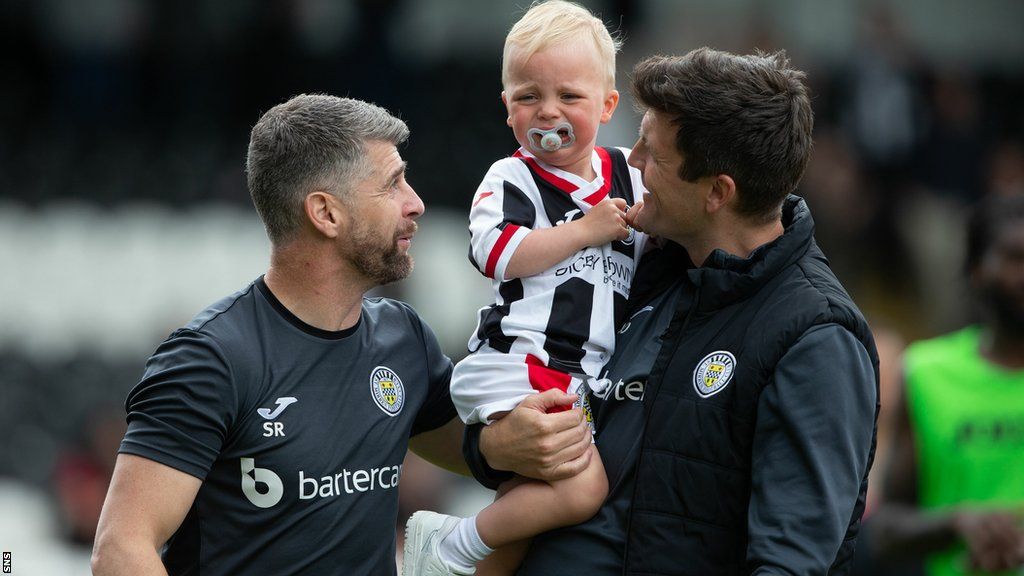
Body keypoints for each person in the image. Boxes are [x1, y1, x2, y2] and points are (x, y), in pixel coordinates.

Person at [463, 48, 881, 575]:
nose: (630, 161)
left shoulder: (815, 336)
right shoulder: (644, 269)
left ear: (716, 192)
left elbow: (790, 562)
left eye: (653, 154)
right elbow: (534, 435)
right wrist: (494, 448)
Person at [91, 94, 469, 576]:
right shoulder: (212, 358)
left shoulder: (405, 338)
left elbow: (486, 454)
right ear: (326, 214)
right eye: (392, 183)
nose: (415, 202)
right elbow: (122, 549)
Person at [403, 2, 647, 575]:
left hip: (585, 374)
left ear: (608, 105)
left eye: (569, 96)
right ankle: (450, 544)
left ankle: (452, 564)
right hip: (526, 360)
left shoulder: (629, 176)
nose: (549, 112)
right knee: (582, 489)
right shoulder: (510, 178)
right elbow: (493, 254)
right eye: (528, 96)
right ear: (507, 109)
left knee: (525, 509)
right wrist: (585, 230)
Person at [870, 195, 1024, 575]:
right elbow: (886, 530)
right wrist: (956, 524)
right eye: (1015, 257)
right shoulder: (926, 373)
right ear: (975, 270)